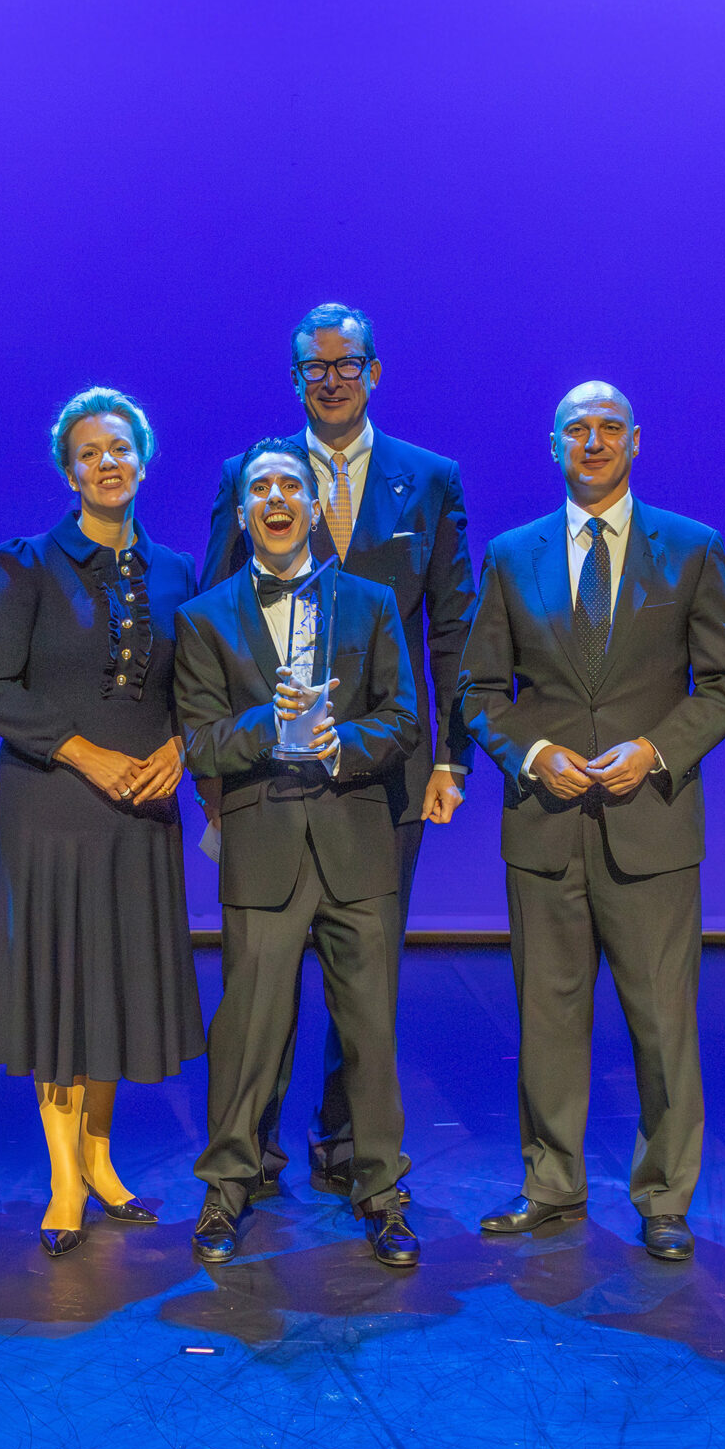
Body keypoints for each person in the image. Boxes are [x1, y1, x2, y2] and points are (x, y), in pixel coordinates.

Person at [458, 381, 725, 1260]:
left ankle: (665, 1197)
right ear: (554, 445)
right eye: (577, 429)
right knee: (547, 1020)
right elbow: (480, 690)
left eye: (609, 428)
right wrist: (532, 753)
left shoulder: (692, 549)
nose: (593, 441)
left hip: (649, 824)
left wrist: (656, 750)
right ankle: (551, 1184)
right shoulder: (511, 554)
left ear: (636, 441)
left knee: (662, 1024)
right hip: (545, 825)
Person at [200, 303, 471, 1200]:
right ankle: (252, 1151)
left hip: (384, 768)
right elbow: (211, 615)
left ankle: (350, 1141)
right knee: (263, 976)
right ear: (294, 379)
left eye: (346, 363)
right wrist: (215, 777)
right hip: (265, 779)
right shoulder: (253, 475)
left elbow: (452, 628)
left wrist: (451, 757)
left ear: (374, 371)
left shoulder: (428, 479)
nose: (331, 378)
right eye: (313, 367)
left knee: (367, 976)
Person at [0, 389, 204, 1256]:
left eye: (120, 447)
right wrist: (85, 753)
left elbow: (197, 689)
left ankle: (101, 1159)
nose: (108, 462)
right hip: (53, 808)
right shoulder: (26, 563)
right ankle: (64, 1178)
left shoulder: (176, 571)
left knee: (113, 987)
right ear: (69, 472)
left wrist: (182, 747)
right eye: (90, 452)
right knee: (63, 988)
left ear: (144, 457)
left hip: (142, 811)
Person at [176, 441, 420, 1269]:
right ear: (244, 511)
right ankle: (228, 1184)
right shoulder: (205, 616)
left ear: (316, 508)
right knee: (249, 1029)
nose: (276, 498)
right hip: (264, 846)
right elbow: (201, 741)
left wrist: (340, 742)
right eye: (261, 488)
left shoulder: (372, 602)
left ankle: (381, 1189)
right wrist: (268, 726)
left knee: (370, 1032)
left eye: (292, 486)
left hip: (357, 843)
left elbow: (402, 717)